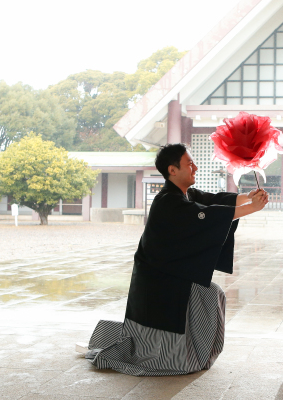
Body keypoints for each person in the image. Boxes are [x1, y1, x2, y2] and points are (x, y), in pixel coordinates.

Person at [86, 143, 268, 376]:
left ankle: (197, 353)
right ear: (172, 170)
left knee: (213, 294)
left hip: (173, 275)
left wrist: (247, 198)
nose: (196, 167)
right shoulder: (167, 201)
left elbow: (213, 202)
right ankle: (178, 355)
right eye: (189, 163)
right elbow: (206, 217)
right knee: (210, 294)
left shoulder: (184, 194)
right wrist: (251, 208)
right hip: (158, 283)